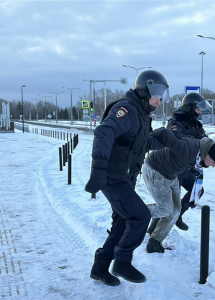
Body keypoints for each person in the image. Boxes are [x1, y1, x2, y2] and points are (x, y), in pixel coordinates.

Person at [85, 70, 170, 286]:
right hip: (112, 177)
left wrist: (166, 140)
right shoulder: (126, 109)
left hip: (124, 177)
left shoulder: (141, 114)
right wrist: (98, 170)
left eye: (163, 95)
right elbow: (104, 132)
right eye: (158, 94)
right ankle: (121, 262)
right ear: (145, 89)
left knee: (122, 223)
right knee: (140, 215)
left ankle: (100, 268)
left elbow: (140, 143)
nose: (160, 100)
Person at [143, 135, 215, 253]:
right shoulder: (187, 148)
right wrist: (144, 141)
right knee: (165, 209)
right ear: (208, 154)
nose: (213, 165)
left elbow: (187, 160)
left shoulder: (199, 153)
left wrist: (192, 169)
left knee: (176, 210)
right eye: (214, 161)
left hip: (171, 175)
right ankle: (132, 214)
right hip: (155, 170)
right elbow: (163, 133)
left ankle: (154, 242)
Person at [148, 93, 211, 233]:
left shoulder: (196, 124)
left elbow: (204, 140)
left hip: (188, 167)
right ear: (189, 108)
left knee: (197, 190)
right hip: (173, 166)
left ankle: (179, 215)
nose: (200, 112)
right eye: (198, 109)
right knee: (168, 203)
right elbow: (177, 142)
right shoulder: (175, 122)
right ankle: (152, 230)